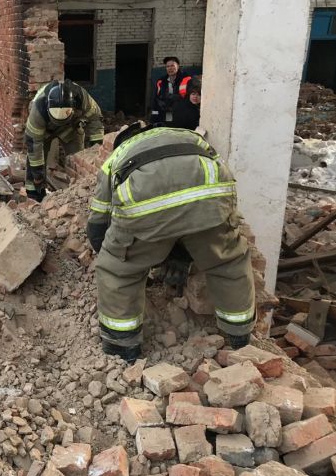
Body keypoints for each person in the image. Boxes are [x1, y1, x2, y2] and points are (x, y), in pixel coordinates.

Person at [86, 124, 255, 361]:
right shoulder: (190, 138)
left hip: (145, 209)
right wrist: (186, 250)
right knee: (228, 261)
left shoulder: (118, 155)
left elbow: (97, 220)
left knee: (118, 271)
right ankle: (240, 337)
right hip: (210, 199)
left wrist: (112, 253)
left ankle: (122, 348)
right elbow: (209, 194)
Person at [25, 79, 104, 201]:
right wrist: (38, 175)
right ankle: (34, 195)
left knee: (77, 158)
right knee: (34, 162)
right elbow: (34, 145)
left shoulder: (82, 98)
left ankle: (79, 191)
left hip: (70, 127)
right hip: (45, 131)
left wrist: (96, 148)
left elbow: (96, 119)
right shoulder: (38, 110)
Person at [150, 56, 192, 126]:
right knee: (168, 127)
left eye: (172, 65)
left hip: (181, 114)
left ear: (178, 66)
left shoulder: (187, 79)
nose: (170, 68)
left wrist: (175, 98)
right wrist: (153, 117)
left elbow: (190, 98)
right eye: (167, 66)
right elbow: (155, 100)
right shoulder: (161, 81)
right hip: (166, 113)